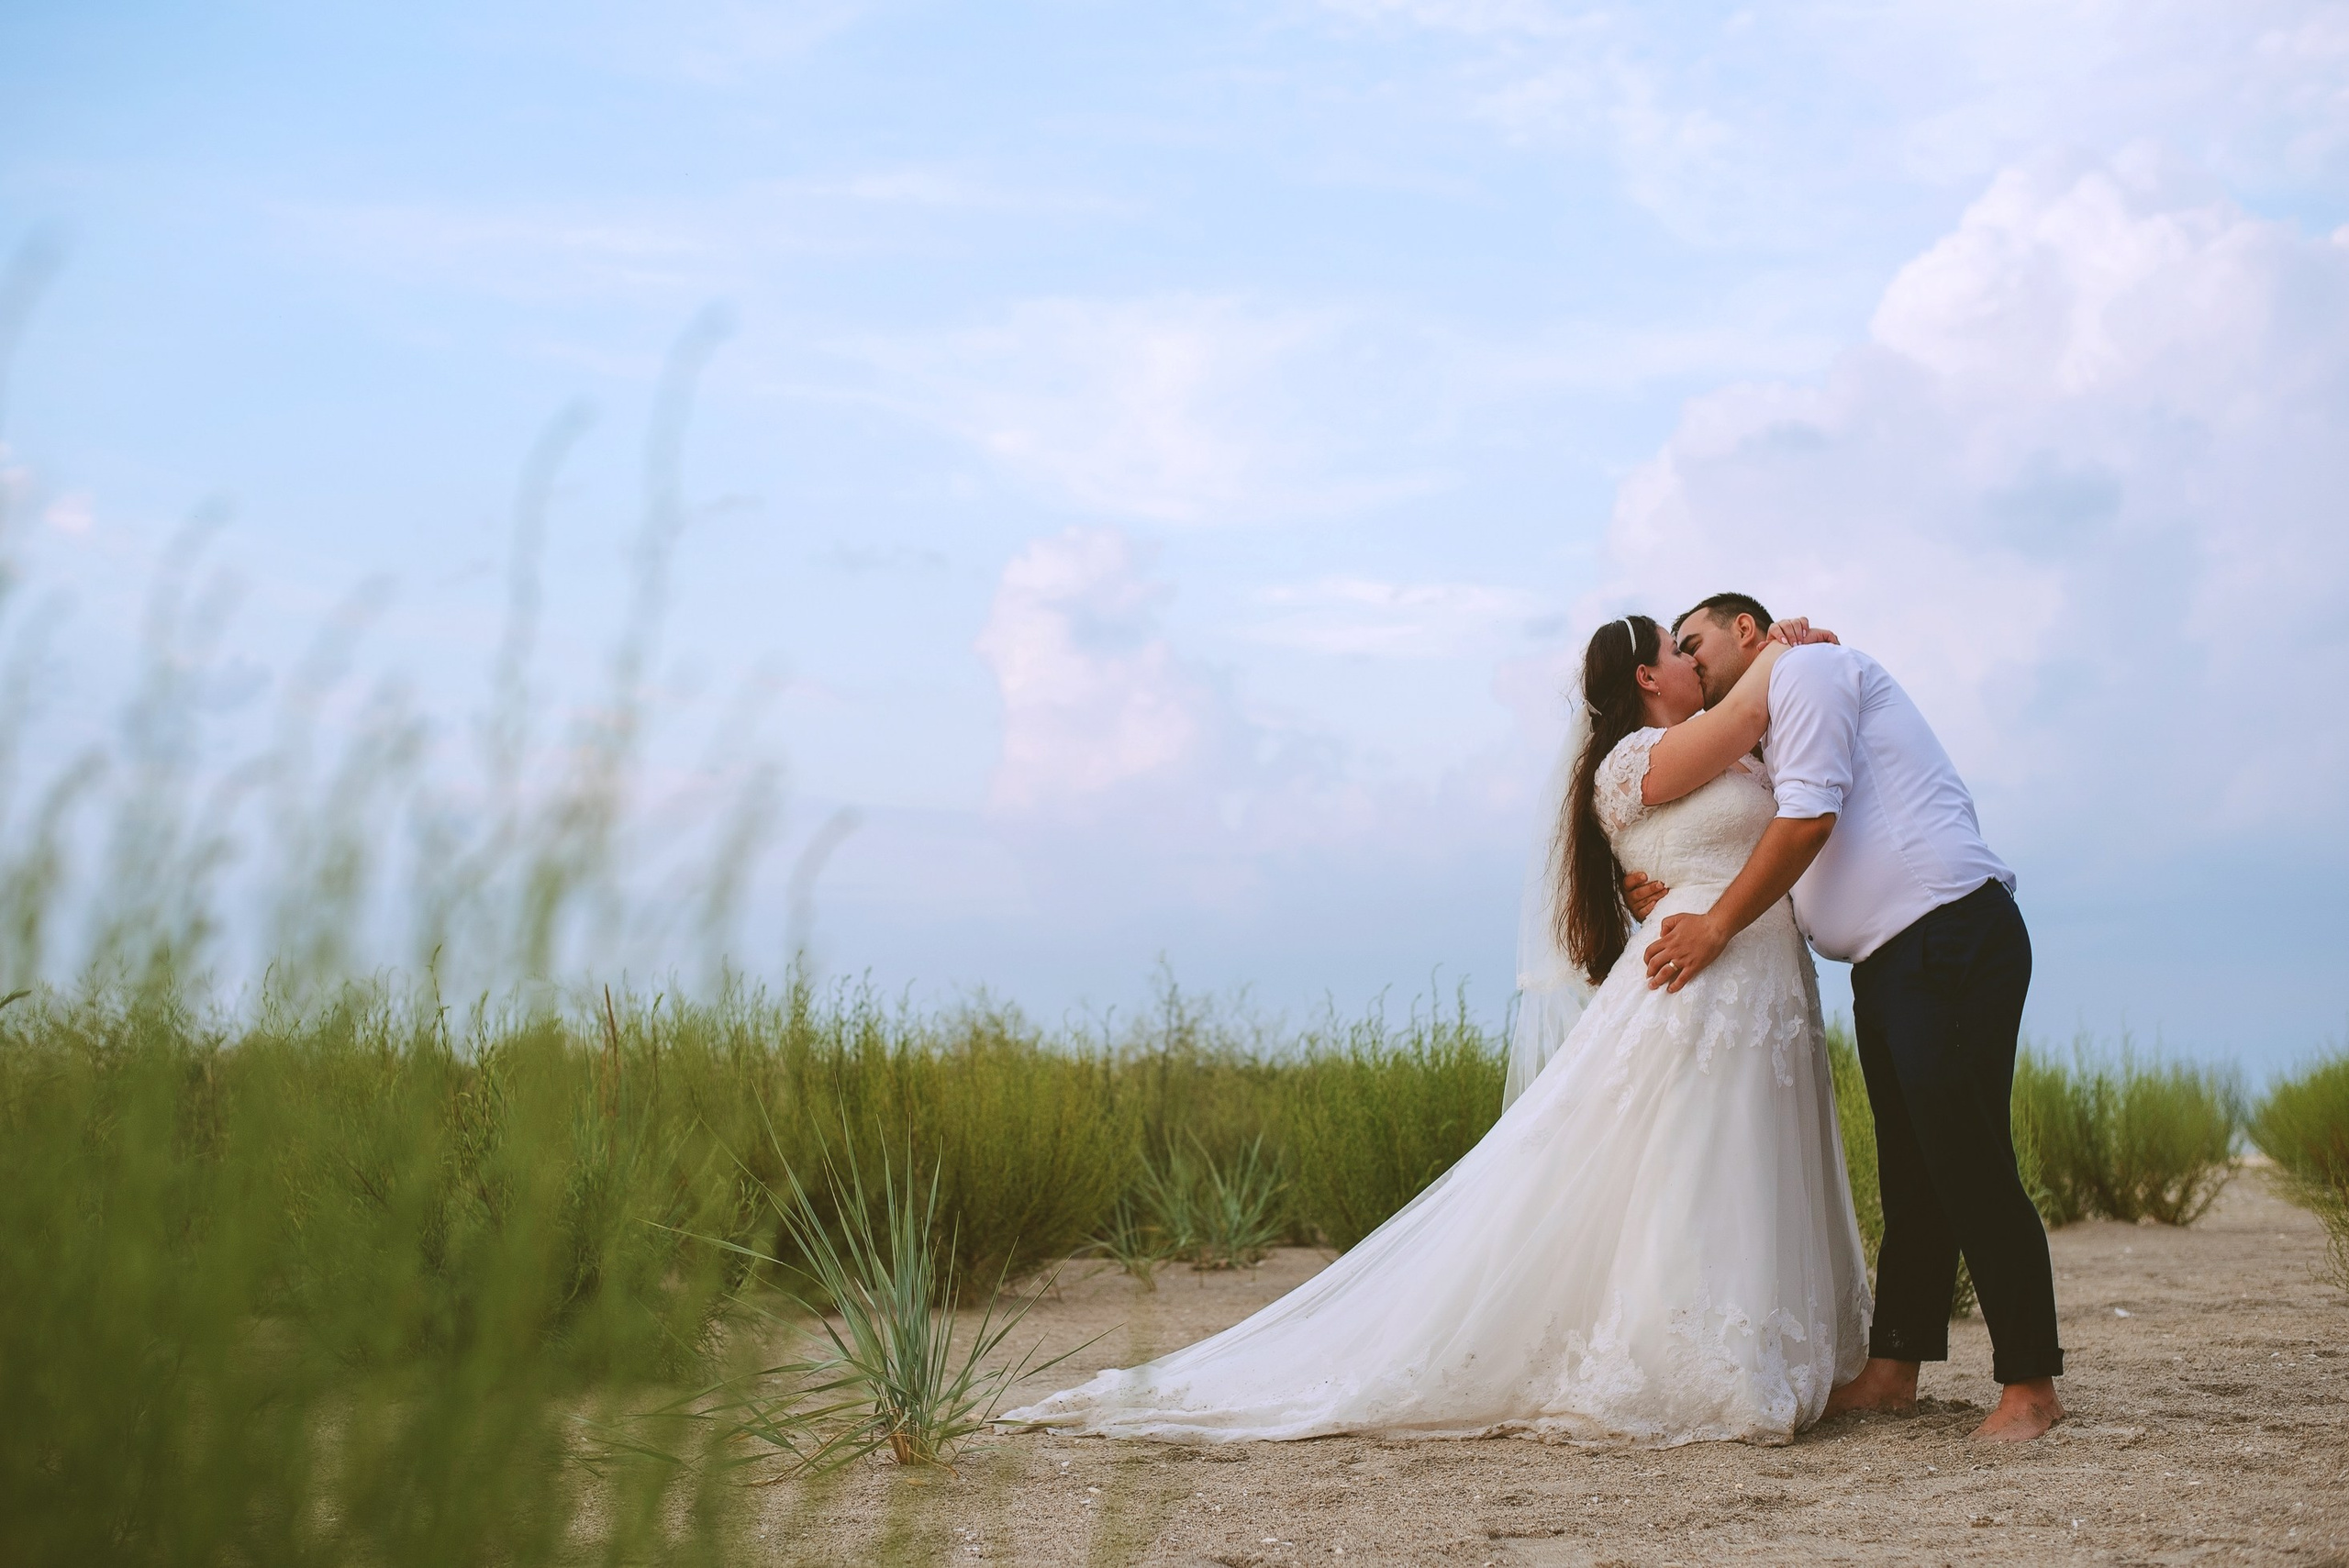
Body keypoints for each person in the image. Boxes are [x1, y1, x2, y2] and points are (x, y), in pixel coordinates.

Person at [998, 613, 1872, 1447]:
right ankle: (1692, 1358)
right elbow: (1747, 711)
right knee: (1694, 1159)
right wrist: (1785, 642)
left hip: (1763, 973)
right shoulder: (1632, 760)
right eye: (1679, 650)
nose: (1693, 658)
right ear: (1647, 676)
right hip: (1693, 975)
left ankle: (1766, 1344)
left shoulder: (1729, 750)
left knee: (1750, 1154)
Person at [1631, 593, 2064, 1441]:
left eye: (1695, 641)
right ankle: (1894, 1369)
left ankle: (2031, 1384)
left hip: (1947, 930)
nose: (1689, 659)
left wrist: (1714, 925)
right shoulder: (1766, 727)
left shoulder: (1809, 671)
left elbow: (1810, 819)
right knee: (1912, 1171)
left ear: (1747, 630)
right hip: (1892, 959)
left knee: (1968, 1155)